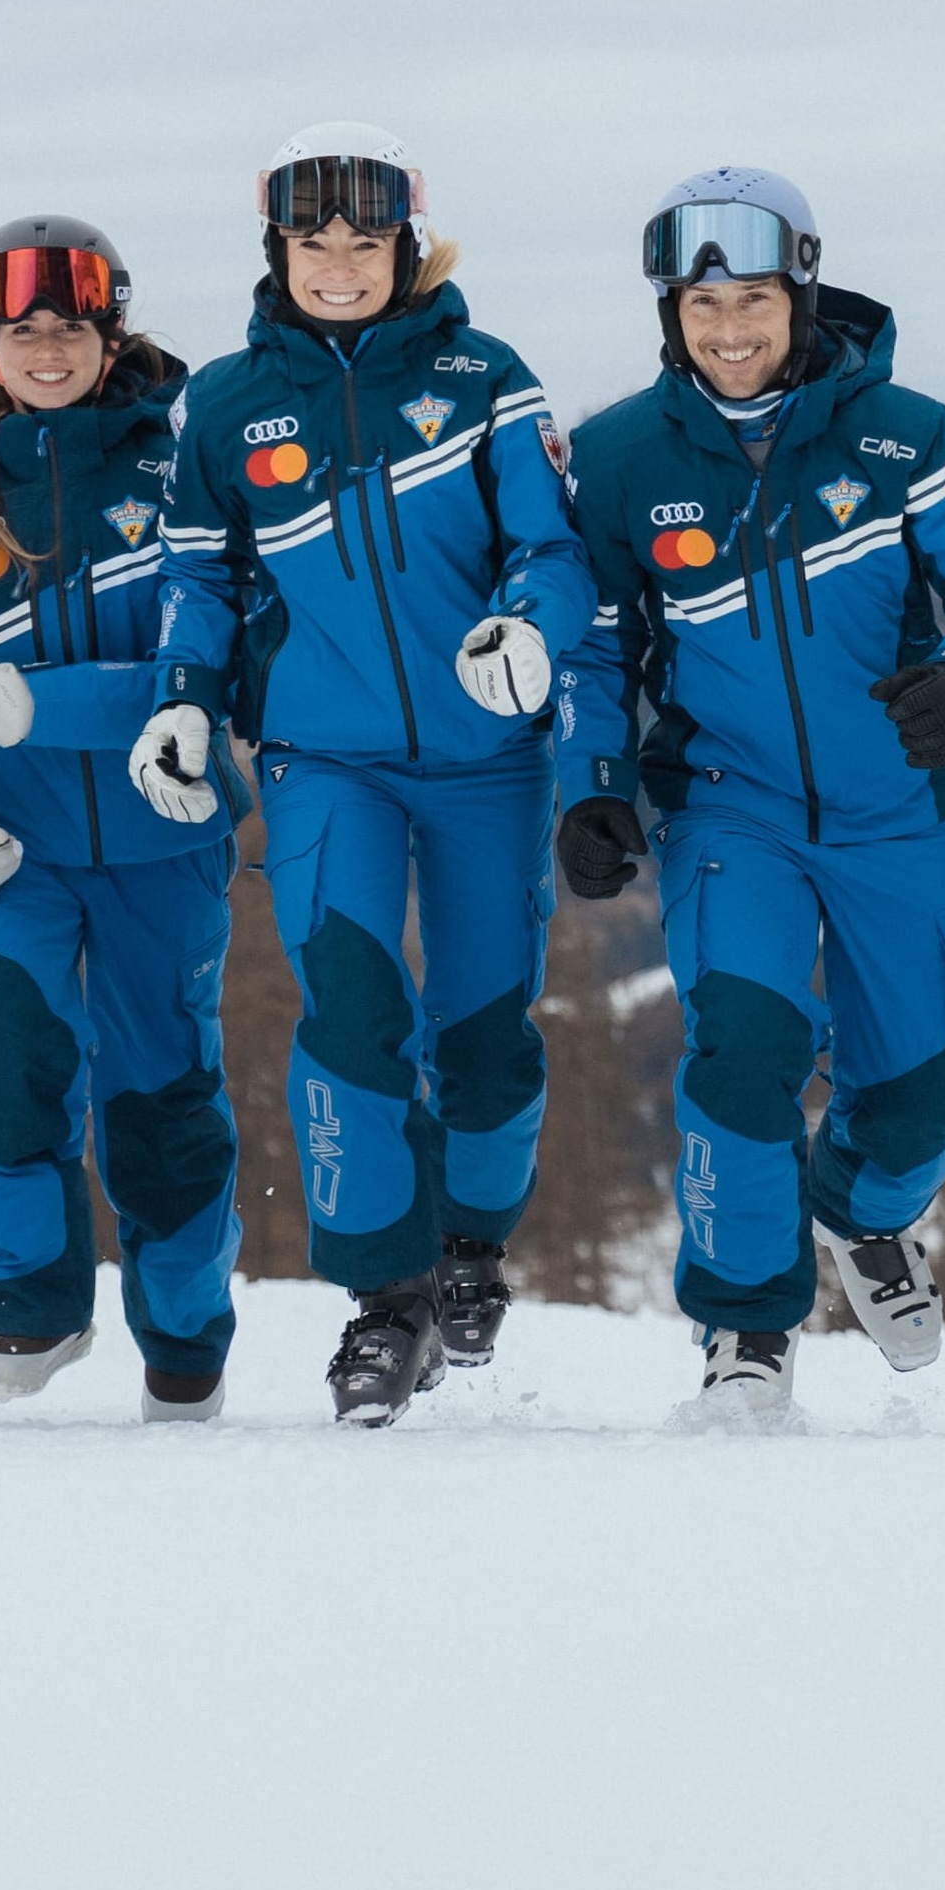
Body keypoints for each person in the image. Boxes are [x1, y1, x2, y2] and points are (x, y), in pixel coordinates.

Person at [553, 166, 945, 1422]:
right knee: (745, 1051)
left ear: (802, 293)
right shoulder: (618, 458)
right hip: (730, 809)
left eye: (756, 299)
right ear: (670, 310)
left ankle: (860, 1216)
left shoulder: (904, 436)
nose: (728, 328)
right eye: (701, 302)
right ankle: (744, 1335)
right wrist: (596, 786)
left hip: (896, 811)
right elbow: (599, 646)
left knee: (925, 1090)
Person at [147, 128, 585, 1426]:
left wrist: (530, 627)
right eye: (313, 241)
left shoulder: (485, 378)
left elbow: (550, 553)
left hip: (486, 758)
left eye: (365, 241)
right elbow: (199, 576)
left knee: (486, 1029)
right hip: (323, 757)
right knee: (348, 1007)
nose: (339, 264)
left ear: (407, 244)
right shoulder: (225, 403)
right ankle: (383, 1304)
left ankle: (473, 1249)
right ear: (278, 250)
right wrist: (182, 702)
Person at [0, 219, 249, 1420]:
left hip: (160, 841)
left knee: (160, 1095)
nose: (45, 348)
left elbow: (214, 661)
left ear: (109, 335)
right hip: (10, 854)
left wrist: (45, 704)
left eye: (68, 327)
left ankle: (184, 1342)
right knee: (2, 1060)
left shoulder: (186, 470)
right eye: (19, 330)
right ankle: (27, 1303)